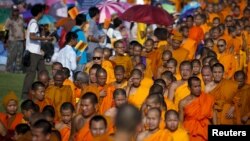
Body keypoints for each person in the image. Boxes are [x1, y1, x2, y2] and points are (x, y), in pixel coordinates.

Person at [22, 4, 53, 100]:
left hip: (37, 53)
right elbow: (31, 36)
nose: (43, 13)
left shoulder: (34, 23)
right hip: (33, 53)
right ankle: (25, 95)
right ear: (40, 13)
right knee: (31, 75)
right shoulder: (34, 23)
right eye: (43, 12)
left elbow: (35, 37)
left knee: (43, 73)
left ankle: (44, 93)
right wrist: (45, 37)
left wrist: (43, 33)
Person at [179, 76, 215, 141]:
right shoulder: (183, 102)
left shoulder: (207, 97)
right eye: (195, 87)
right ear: (189, 88)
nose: (198, 89)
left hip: (205, 127)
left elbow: (213, 113)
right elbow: (180, 121)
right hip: (190, 130)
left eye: (199, 86)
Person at [5, 5, 25, 73]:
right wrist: (6, 41)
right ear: (12, 11)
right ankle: (9, 69)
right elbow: (6, 31)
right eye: (14, 11)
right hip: (12, 40)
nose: (15, 12)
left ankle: (18, 70)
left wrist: (24, 39)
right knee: (12, 55)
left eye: (17, 10)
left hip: (21, 39)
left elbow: (23, 29)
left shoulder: (21, 18)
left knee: (20, 55)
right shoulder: (9, 19)